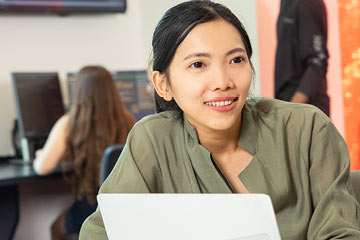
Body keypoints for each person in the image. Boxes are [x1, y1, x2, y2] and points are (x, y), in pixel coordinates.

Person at [80, 1, 360, 239]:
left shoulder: (307, 129)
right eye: (198, 65)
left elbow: (340, 233)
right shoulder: (152, 140)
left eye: (236, 60)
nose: (223, 81)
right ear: (163, 83)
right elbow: (100, 233)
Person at [33, 65, 135, 240]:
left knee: (56, 228)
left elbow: (43, 168)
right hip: (122, 208)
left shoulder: (69, 122)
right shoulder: (127, 120)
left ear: (78, 92)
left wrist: (40, 155)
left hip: (91, 206)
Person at [274, 0, 330, 116]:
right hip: (288, 106)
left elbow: (317, 62)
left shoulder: (309, 3)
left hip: (306, 111)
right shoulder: (286, 3)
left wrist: (293, 108)